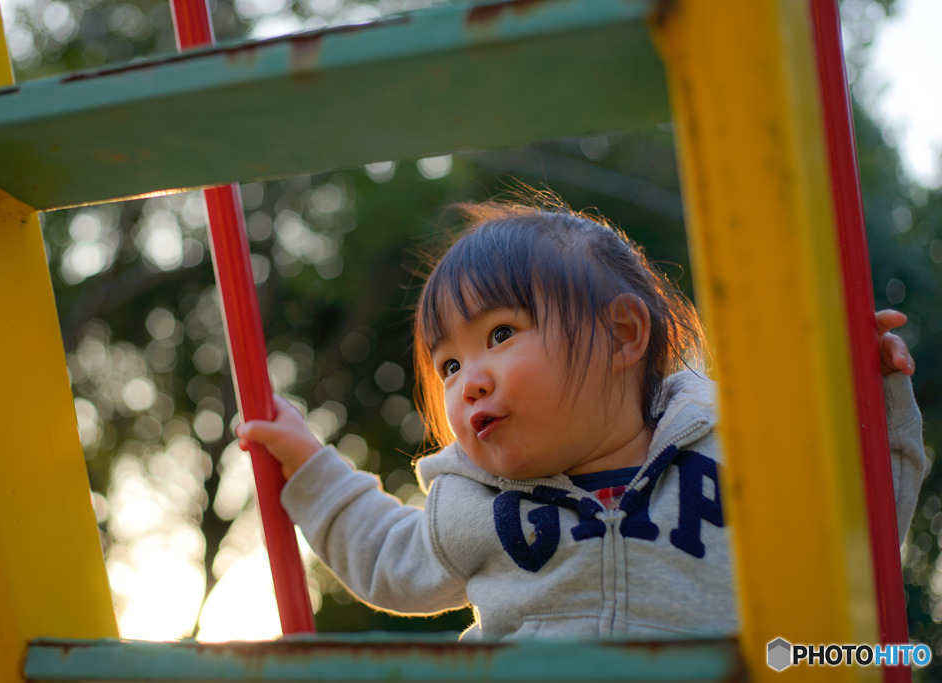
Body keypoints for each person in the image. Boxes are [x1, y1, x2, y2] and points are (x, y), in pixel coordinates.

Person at [236, 200, 925, 640]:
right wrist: (312, 468)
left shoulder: (737, 453)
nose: (469, 378)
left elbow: (859, 532)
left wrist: (870, 399)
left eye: (501, 333)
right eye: (448, 365)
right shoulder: (471, 503)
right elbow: (389, 555)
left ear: (624, 334)